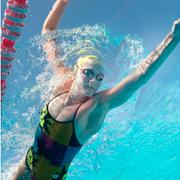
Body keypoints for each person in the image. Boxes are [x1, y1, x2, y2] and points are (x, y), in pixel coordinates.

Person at [11, 0, 179, 179]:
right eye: (88, 73)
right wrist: (62, 3)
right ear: (75, 71)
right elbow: (48, 33)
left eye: (99, 78)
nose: (93, 81)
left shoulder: (92, 109)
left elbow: (140, 75)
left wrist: (173, 38)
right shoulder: (61, 82)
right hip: (24, 166)